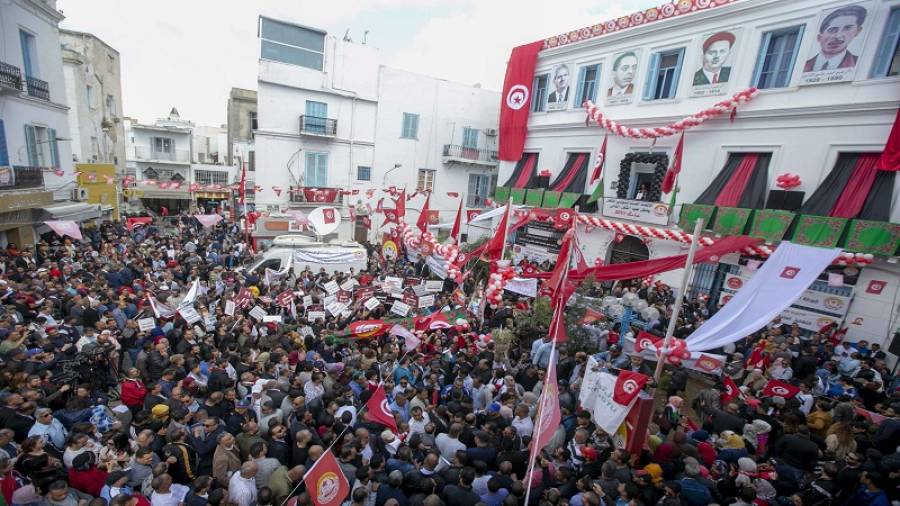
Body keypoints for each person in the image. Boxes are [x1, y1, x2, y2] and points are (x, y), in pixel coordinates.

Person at [803, 4, 866, 72]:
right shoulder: (804, 66)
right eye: (832, 30)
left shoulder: (860, 63)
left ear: (857, 31)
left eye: (847, 28)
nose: (838, 36)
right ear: (819, 37)